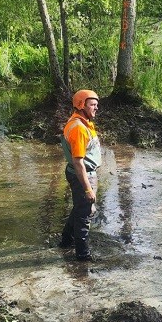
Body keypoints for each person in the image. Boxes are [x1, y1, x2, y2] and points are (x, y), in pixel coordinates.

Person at [60, 90, 101, 261]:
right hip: (83, 175)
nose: (96, 108)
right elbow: (78, 162)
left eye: (96, 105)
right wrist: (88, 189)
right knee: (85, 213)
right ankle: (82, 255)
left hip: (82, 173)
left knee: (79, 209)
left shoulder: (82, 122)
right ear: (81, 105)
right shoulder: (78, 128)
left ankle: (66, 241)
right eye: (92, 104)